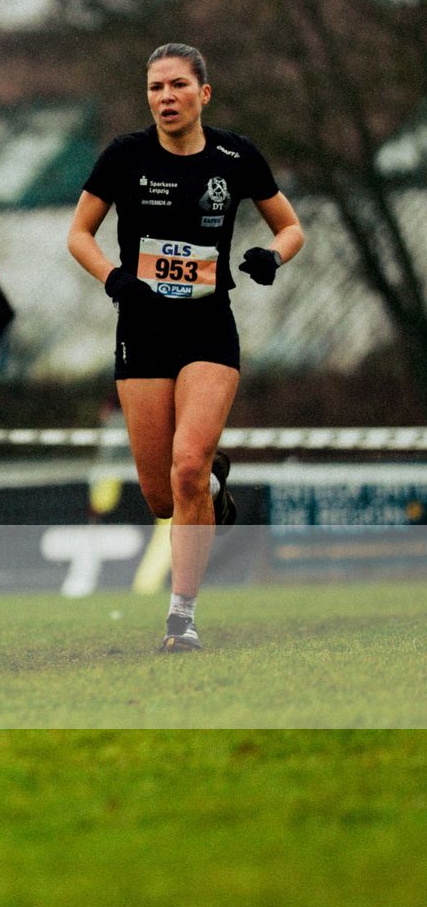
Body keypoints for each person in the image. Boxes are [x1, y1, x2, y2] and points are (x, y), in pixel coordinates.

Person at [68, 42, 305, 652]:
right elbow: (79, 234)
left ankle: (182, 618)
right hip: (142, 332)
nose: (165, 98)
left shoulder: (235, 156)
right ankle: (211, 492)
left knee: (188, 465)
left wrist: (270, 256)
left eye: (177, 86)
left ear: (204, 93)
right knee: (161, 495)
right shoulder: (124, 156)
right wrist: (114, 277)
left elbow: (291, 226)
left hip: (207, 328)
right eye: (155, 88)